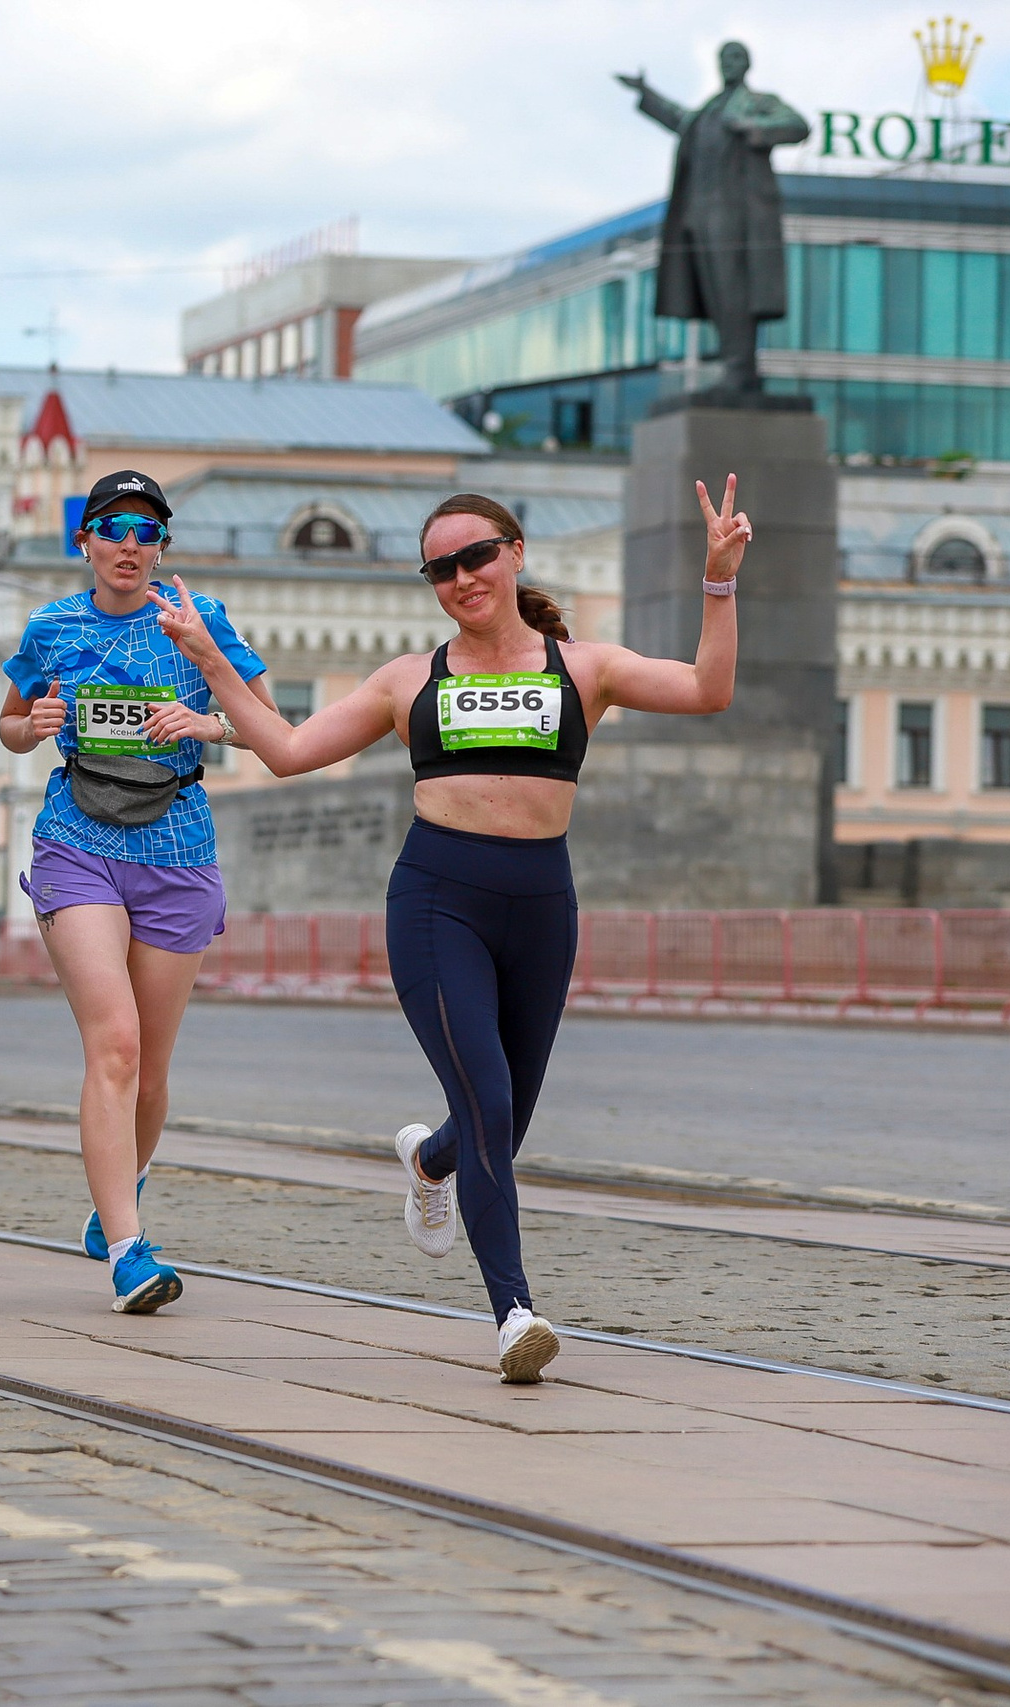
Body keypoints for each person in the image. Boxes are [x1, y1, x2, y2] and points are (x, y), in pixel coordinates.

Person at [155, 480, 753, 1384]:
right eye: (442, 568)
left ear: (515, 554)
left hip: (542, 908)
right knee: (491, 1105)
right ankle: (515, 1312)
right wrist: (208, 658)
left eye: (477, 556)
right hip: (439, 905)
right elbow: (286, 750)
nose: (463, 577)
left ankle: (430, 1160)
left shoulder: (585, 667)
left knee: (499, 1118)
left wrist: (717, 580)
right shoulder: (407, 680)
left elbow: (710, 689)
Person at [0, 472, 274, 1315]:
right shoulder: (51, 626)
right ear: (83, 539)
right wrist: (32, 726)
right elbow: (10, 725)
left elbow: (268, 726)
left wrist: (209, 722)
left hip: (178, 849)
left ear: (162, 548)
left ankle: (123, 1180)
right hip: (77, 841)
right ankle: (128, 1251)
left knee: (149, 1068)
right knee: (114, 1044)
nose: (129, 543)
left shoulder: (199, 619)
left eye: (147, 531)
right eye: (113, 527)